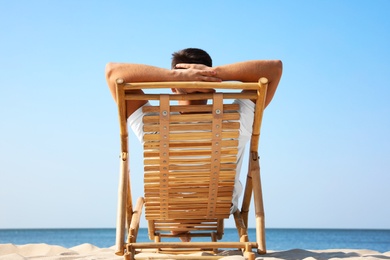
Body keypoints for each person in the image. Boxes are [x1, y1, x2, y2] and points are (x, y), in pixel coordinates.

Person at [105, 48, 282, 241]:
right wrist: (215, 74)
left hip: (166, 207)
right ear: (214, 86)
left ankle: (182, 223)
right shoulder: (236, 119)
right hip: (219, 205)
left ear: (173, 87)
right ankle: (186, 222)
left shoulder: (152, 123)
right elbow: (274, 69)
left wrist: (172, 76)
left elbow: (112, 73)